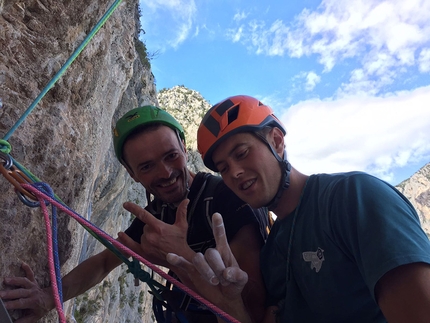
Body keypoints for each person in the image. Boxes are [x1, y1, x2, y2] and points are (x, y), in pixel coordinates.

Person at [167, 95, 430, 323]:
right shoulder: (271, 253)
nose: (234, 172)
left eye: (242, 152)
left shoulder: (352, 198)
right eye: (223, 168)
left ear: (277, 141)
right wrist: (231, 303)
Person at [0, 105, 269, 323]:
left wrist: (179, 256)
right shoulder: (157, 213)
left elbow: (253, 308)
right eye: (147, 166)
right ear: (131, 173)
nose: (165, 173)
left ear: (184, 149)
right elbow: (105, 261)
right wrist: (48, 299)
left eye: (171, 155)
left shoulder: (225, 198)